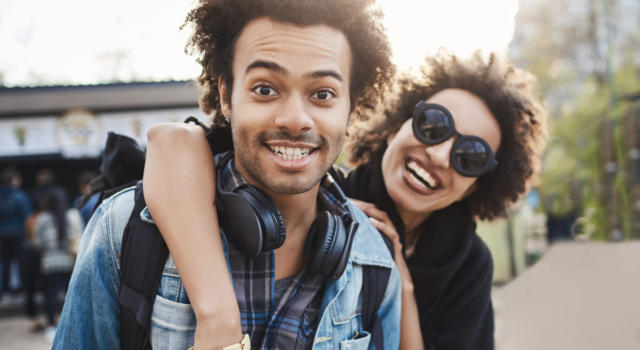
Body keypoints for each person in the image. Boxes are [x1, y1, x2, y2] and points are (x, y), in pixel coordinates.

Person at [53, 0, 401, 349]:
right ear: (225, 96)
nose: (295, 119)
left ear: (351, 109)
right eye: (265, 89)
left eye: (323, 94)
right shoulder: (123, 229)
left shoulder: (375, 262)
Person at [143, 52, 549, 349]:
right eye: (433, 126)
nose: (440, 155)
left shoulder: (469, 263)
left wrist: (400, 284)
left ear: (479, 185)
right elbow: (175, 142)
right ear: (398, 124)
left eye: (470, 157)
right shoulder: (316, 192)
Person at [33, 188, 83, 341]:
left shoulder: (42, 218)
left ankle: (51, 324)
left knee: (50, 294)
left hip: (49, 263)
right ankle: (72, 322)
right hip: (69, 262)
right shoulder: (72, 215)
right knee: (71, 293)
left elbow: (37, 242)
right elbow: (79, 236)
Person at [0, 167, 32, 297]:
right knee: (17, 262)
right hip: (18, 234)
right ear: (14, 181)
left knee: (2, 262)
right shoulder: (20, 196)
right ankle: (16, 290)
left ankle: (2, 290)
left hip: (1, 234)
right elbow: (27, 217)